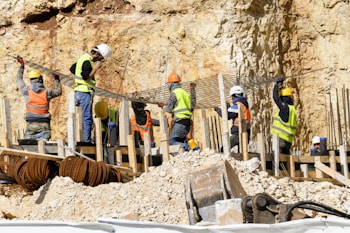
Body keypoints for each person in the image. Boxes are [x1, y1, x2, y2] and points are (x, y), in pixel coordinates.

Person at [70, 43, 112, 144]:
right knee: (87, 117)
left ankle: (86, 139)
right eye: (101, 58)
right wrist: (96, 68)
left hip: (79, 91)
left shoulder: (82, 58)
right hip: (84, 92)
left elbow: (72, 69)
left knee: (84, 117)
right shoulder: (87, 61)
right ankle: (87, 141)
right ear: (97, 54)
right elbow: (86, 77)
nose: (100, 61)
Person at [16, 57, 62, 140]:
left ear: (31, 80)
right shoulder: (47, 92)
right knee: (44, 147)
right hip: (45, 124)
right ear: (41, 79)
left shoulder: (26, 90)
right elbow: (58, 91)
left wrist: (22, 66)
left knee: (29, 146)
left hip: (32, 124)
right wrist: (56, 79)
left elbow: (18, 79)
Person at [158, 72, 196, 151]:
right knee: (183, 140)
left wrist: (162, 106)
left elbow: (169, 109)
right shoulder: (185, 93)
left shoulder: (174, 93)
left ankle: (190, 148)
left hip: (179, 122)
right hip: (187, 121)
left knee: (172, 141)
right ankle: (195, 149)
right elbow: (191, 106)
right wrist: (193, 90)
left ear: (171, 84)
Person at [214, 85, 251, 151]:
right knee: (241, 154)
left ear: (235, 95)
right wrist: (228, 108)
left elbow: (227, 116)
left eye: (232, 96)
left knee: (224, 149)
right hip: (246, 133)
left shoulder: (238, 104)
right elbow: (234, 114)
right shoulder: (244, 104)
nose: (232, 98)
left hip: (238, 133)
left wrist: (218, 110)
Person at [271, 77, 297, 154]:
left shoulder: (285, 108)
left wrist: (276, 86)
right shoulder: (292, 109)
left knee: (277, 162)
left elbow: (275, 98)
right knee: (286, 163)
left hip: (281, 139)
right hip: (288, 141)